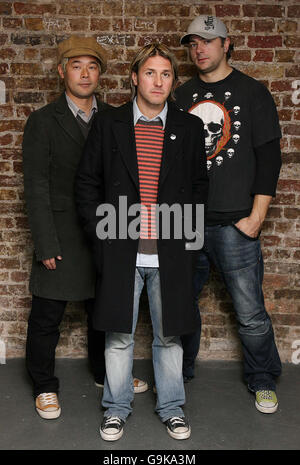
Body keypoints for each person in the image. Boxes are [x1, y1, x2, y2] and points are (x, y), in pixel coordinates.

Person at [75, 43, 208, 441]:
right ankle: (116, 408)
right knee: (118, 335)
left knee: (170, 334)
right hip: (120, 248)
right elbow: (87, 184)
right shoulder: (110, 124)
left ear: (173, 81)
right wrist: (101, 238)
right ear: (135, 78)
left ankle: (171, 408)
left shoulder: (188, 128)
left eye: (166, 74)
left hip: (169, 250)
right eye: (150, 73)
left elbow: (200, 188)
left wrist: (188, 240)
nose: (158, 81)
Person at [23, 35, 147, 420]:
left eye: (92, 66)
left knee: (103, 309)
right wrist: (44, 243)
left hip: (105, 231)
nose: (85, 73)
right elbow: (36, 186)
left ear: (101, 74)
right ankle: (44, 385)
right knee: (47, 316)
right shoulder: (43, 121)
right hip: (60, 234)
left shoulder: (115, 118)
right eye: (76, 66)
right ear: (62, 72)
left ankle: (102, 373)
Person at [175, 15, 282, 413]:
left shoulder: (252, 92)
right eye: (192, 43)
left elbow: (269, 160)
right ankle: (178, 375)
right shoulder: (182, 95)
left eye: (207, 40)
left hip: (236, 223)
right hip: (187, 223)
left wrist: (256, 217)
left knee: (250, 310)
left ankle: (262, 378)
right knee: (180, 305)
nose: (199, 49)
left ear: (226, 43)